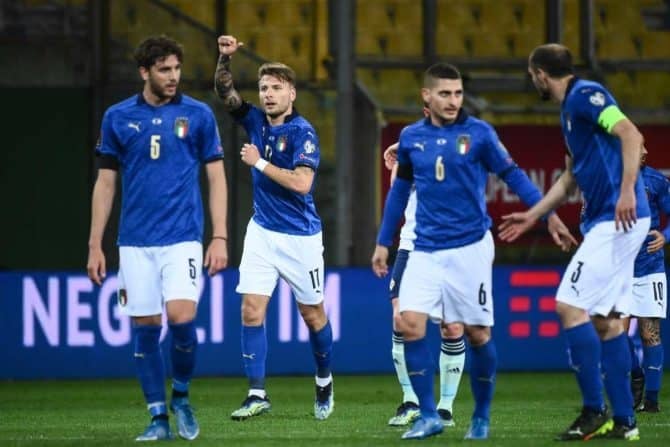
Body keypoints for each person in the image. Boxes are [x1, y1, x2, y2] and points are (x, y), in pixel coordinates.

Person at [371, 62, 575, 440]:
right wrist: (384, 241)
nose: (453, 101)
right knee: (408, 323)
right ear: (426, 97)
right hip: (425, 248)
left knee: (477, 334)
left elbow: (512, 175)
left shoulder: (479, 134)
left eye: (458, 93)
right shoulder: (412, 137)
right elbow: (399, 192)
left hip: (469, 248)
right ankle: (428, 414)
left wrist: (546, 217)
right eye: (445, 93)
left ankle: (480, 415)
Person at [499, 43, 651, 441]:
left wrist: (628, 190)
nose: (533, 81)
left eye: (532, 76)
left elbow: (630, 133)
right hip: (613, 220)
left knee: (568, 306)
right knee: (606, 321)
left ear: (540, 75)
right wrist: (536, 215)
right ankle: (624, 422)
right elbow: (569, 179)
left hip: (618, 218)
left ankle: (592, 411)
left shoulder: (586, 95)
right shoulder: (569, 110)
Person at [86, 35, 229, 441]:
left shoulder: (198, 115)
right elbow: (106, 182)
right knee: (145, 329)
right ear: (144, 72)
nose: (173, 77)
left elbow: (216, 177)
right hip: (134, 242)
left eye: (177, 69)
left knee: (182, 321)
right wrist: (95, 243)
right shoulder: (117, 117)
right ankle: (158, 418)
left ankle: (180, 395)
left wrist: (219, 236)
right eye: (164, 69)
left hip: (183, 237)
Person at [214, 35, 334, 421]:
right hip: (262, 232)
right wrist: (224, 59)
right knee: (251, 309)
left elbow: (303, 183)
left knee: (313, 316)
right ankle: (256, 393)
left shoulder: (303, 133)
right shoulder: (254, 121)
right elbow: (225, 92)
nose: (267, 95)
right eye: (264, 88)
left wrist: (260, 164)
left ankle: (323, 378)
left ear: (292, 94)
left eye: (276, 88)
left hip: (300, 237)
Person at [383, 143, 465, 428]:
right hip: (411, 247)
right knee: (400, 320)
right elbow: (398, 193)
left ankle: (445, 407)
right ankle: (410, 401)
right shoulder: (415, 146)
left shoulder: (462, 148)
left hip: (449, 249)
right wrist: (400, 157)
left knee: (452, 326)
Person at [626, 146, 670, 413]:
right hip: (618, 269)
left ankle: (651, 400)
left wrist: (666, 235)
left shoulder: (655, 180)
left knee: (649, 332)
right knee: (614, 332)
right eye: (637, 146)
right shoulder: (607, 179)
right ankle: (635, 373)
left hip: (649, 268)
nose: (643, 151)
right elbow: (588, 218)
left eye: (644, 147)